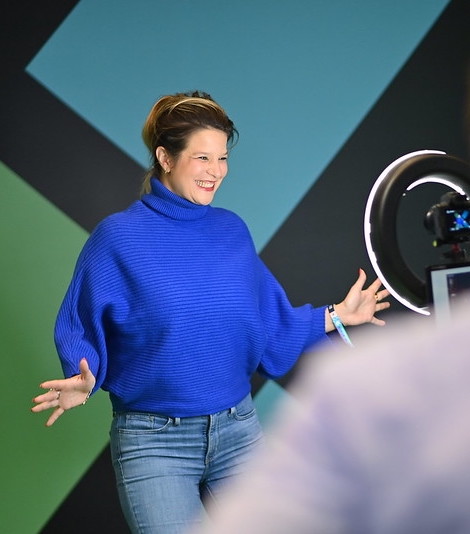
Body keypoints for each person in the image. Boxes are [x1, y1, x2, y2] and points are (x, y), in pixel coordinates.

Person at [31, 90, 390, 534]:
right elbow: (81, 323)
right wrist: (84, 378)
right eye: (203, 158)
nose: (216, 172)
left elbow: (265, 323)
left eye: (221, 159)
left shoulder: (231, 230)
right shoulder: (118, 239)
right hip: (154, 441)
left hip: (238, 430)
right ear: (165, 156)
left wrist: (337, 315)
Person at [191, 306, 470, 534]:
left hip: (237, 423)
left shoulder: (368, 378)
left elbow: (269, 331)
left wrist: (333, 315)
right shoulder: (361, 385)